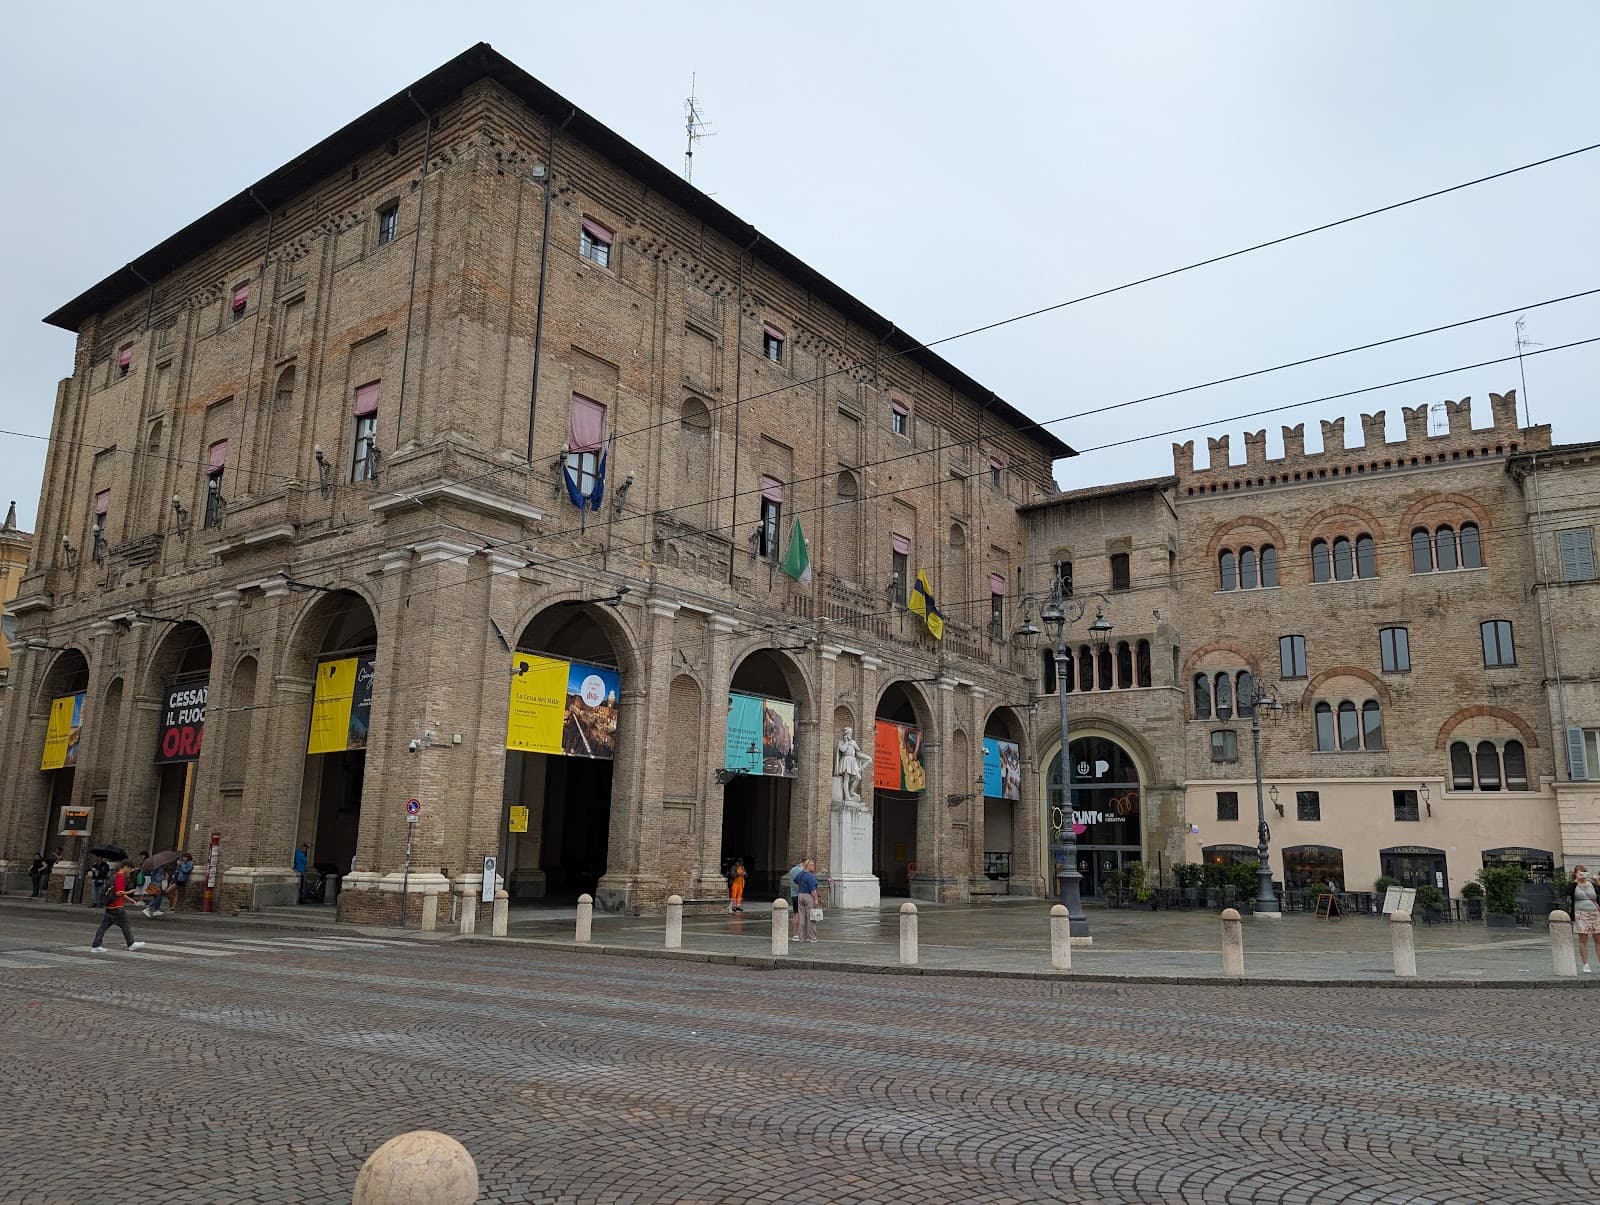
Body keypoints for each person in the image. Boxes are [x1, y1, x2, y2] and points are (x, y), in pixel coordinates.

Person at [90, 860, 146, 953]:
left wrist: (129, 899)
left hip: (110, 906)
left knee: (103, 927)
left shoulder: (115, 876)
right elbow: (118, 893)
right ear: (126, 867)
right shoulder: (120, 877)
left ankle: (96, 945)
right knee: (125, 925)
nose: (130, 872)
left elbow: (117, 892)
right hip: (117, 906)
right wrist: (130, 892)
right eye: (130, 869)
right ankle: (131, 943)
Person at [1572, 865, 1600, 973]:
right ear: (1575, 874)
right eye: (1580, 873)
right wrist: (1575, 881)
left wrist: (1597, 880)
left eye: (1584, 873)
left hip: (1595, 913)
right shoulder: (1574, 885)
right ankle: (1585, 964)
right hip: (1581, 913)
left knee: (1598, 939)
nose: (1582, 875)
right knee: (1583, 939)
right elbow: (1567, 892)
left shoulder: (1592, 885)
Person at [794, 858, 821, 943]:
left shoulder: (800, 874)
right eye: (812, 865)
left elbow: (795, 881)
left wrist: (802, 886)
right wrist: (816, 900)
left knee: (802, 917)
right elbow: (813, 890)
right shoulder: (810, 876)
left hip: (800, 895)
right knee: (811, 918)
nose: (814, 866)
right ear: (808, 866)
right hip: (808, 896)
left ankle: (802, 937)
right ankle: (812, 937)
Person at [787, 858, 806, 938]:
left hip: (793, 894)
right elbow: (802, 883)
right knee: (800, 915)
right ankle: (798, 933)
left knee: (795, 914)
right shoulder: (801, 871)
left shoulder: (792, 869)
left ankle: (795, 933)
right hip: (799, 894)